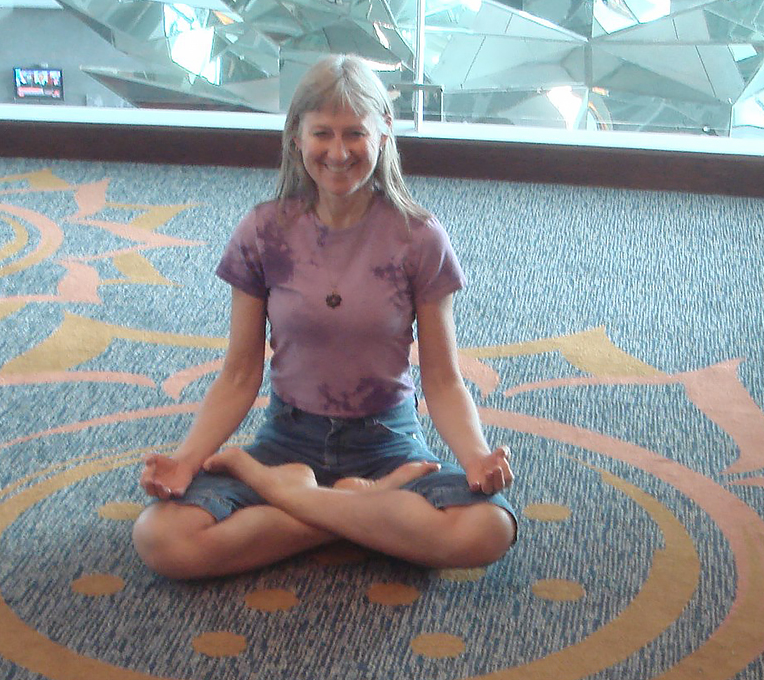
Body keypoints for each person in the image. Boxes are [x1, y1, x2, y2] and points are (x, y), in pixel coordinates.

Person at [133, 54, 517, 579]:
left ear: (383, 135)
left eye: (355, 134)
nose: (339, 153)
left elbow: (443, 379)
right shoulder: (263, 232)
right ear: (297, 137)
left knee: (488, 530)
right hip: (290, 437)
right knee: (161, 540)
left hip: (387, 440)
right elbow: (240, 374)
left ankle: (288, 496)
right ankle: (364, 510)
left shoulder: (420, 239)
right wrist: (185, 458)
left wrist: (474, 456)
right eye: (323, 134)